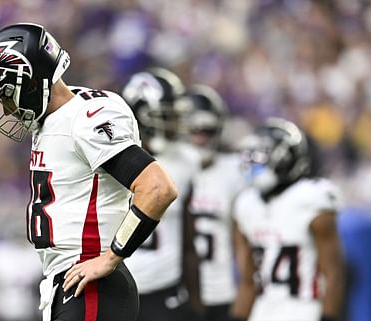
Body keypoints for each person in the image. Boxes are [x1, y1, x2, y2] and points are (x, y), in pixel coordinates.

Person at [0, 23, 178, 321]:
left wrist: (111, 257)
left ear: (29, 81)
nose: (7, 110)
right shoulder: (56, 119)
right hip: (71, 285)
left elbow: (157, 188)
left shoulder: (85, 119)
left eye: (6, 96)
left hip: (91, 284)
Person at [231, 118, 345, 321]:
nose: (254, 162)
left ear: (286, 158)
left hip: (305, 310)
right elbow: (248, 282)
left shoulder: (311, 199)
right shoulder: (246, 204)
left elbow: (334, 275)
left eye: (263, 155)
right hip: (262, 311)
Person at [121, 68, 199, 321]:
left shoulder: (184, 162)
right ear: (141, 117)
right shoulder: (106, 158)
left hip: (164, 290)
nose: (174, 124)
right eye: (166, 116)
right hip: (118, 289)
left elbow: (188, 242)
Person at [181, 85, 244, 321]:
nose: (199, 137)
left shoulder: (235, 172)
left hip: (222, 291)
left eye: (205, 130)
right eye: (193, 129)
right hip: (178, 290)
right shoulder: (167, 169)